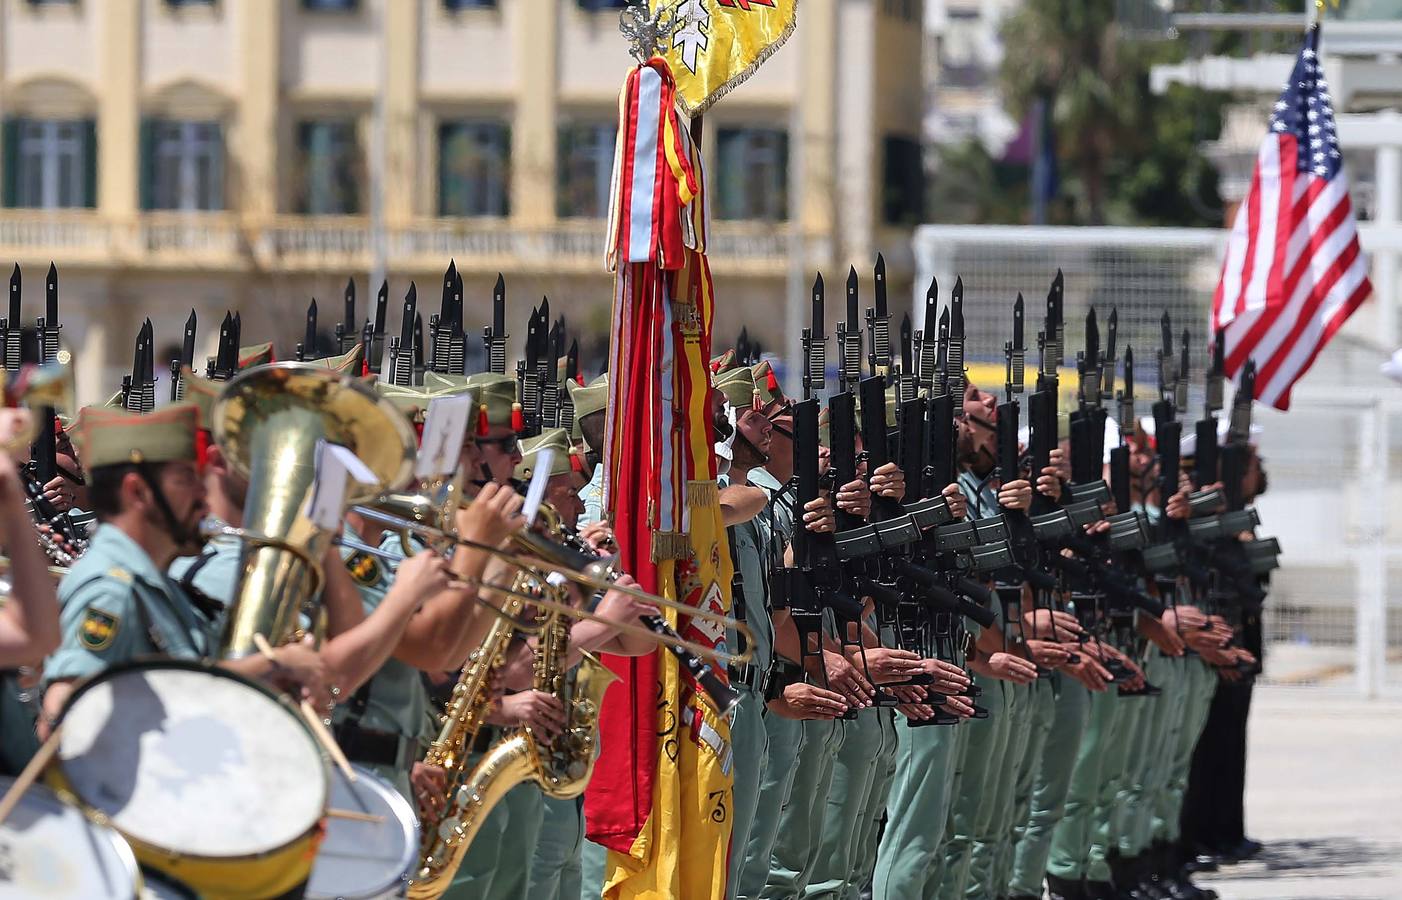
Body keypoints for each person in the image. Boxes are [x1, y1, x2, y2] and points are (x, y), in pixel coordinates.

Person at [41, 404, 328, 732]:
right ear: (138, 492)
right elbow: (65, 714)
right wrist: (271, 665)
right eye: (186, 479)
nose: (204, 494)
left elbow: (178, 684)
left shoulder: (154, 586)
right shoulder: (112, 590)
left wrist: (269, 672)